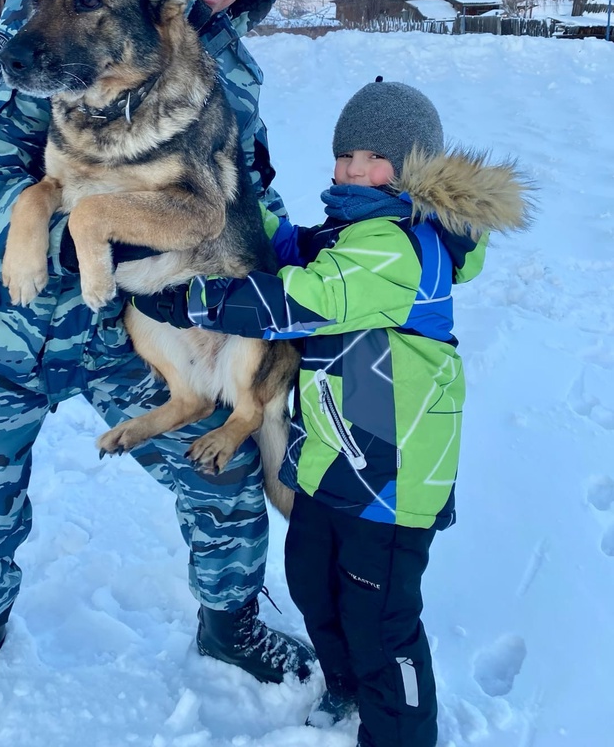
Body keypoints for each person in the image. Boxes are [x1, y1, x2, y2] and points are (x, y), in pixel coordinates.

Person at [0, 0, 315, 730]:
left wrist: (300, 265)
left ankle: (231, 623)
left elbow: (239, 187)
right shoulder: (43, 26)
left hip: (135, 327)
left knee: (222, 473)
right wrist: (69, 243)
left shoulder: (226, 69)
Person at [132, 79, 533, 747]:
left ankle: (400, 733)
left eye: (372, 158)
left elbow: (303, 297)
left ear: (413, 168)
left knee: (381, 623)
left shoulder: (403, 246)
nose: (351, 169)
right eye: (345, 155)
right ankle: (348, 686)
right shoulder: (355, 233)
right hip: (336, 459)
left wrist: (192, 301)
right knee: (315, 586)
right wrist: (245, 197)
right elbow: (291, 250)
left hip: (392, 479)